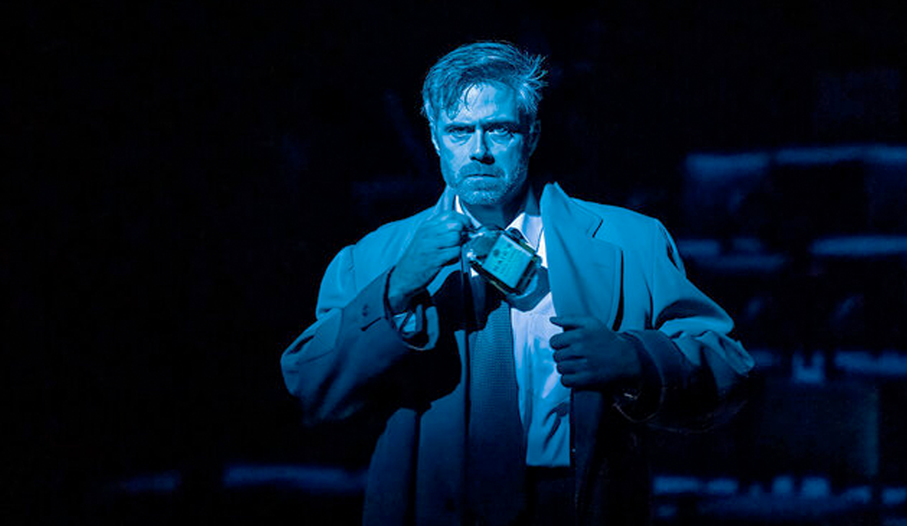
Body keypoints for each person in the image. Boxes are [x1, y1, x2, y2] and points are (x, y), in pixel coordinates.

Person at [281, 41, 754, 526]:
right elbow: (309, 387)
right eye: (460, 131)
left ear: (531, 135)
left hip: (578, 505)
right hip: (431, 505)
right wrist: (395, 290)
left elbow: (730, 368)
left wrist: (635, 359)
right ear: (436, 139)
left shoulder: (630, 242)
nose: (480, 151)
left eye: (499, 130)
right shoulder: (376, 256)